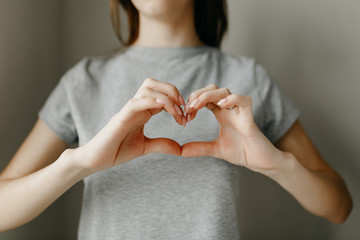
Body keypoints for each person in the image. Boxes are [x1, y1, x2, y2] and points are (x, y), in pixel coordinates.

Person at [0, 0, 352, 239]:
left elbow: (339, 206)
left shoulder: (248, 78)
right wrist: (79, 164)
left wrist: (277, 164)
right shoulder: (83, 81)